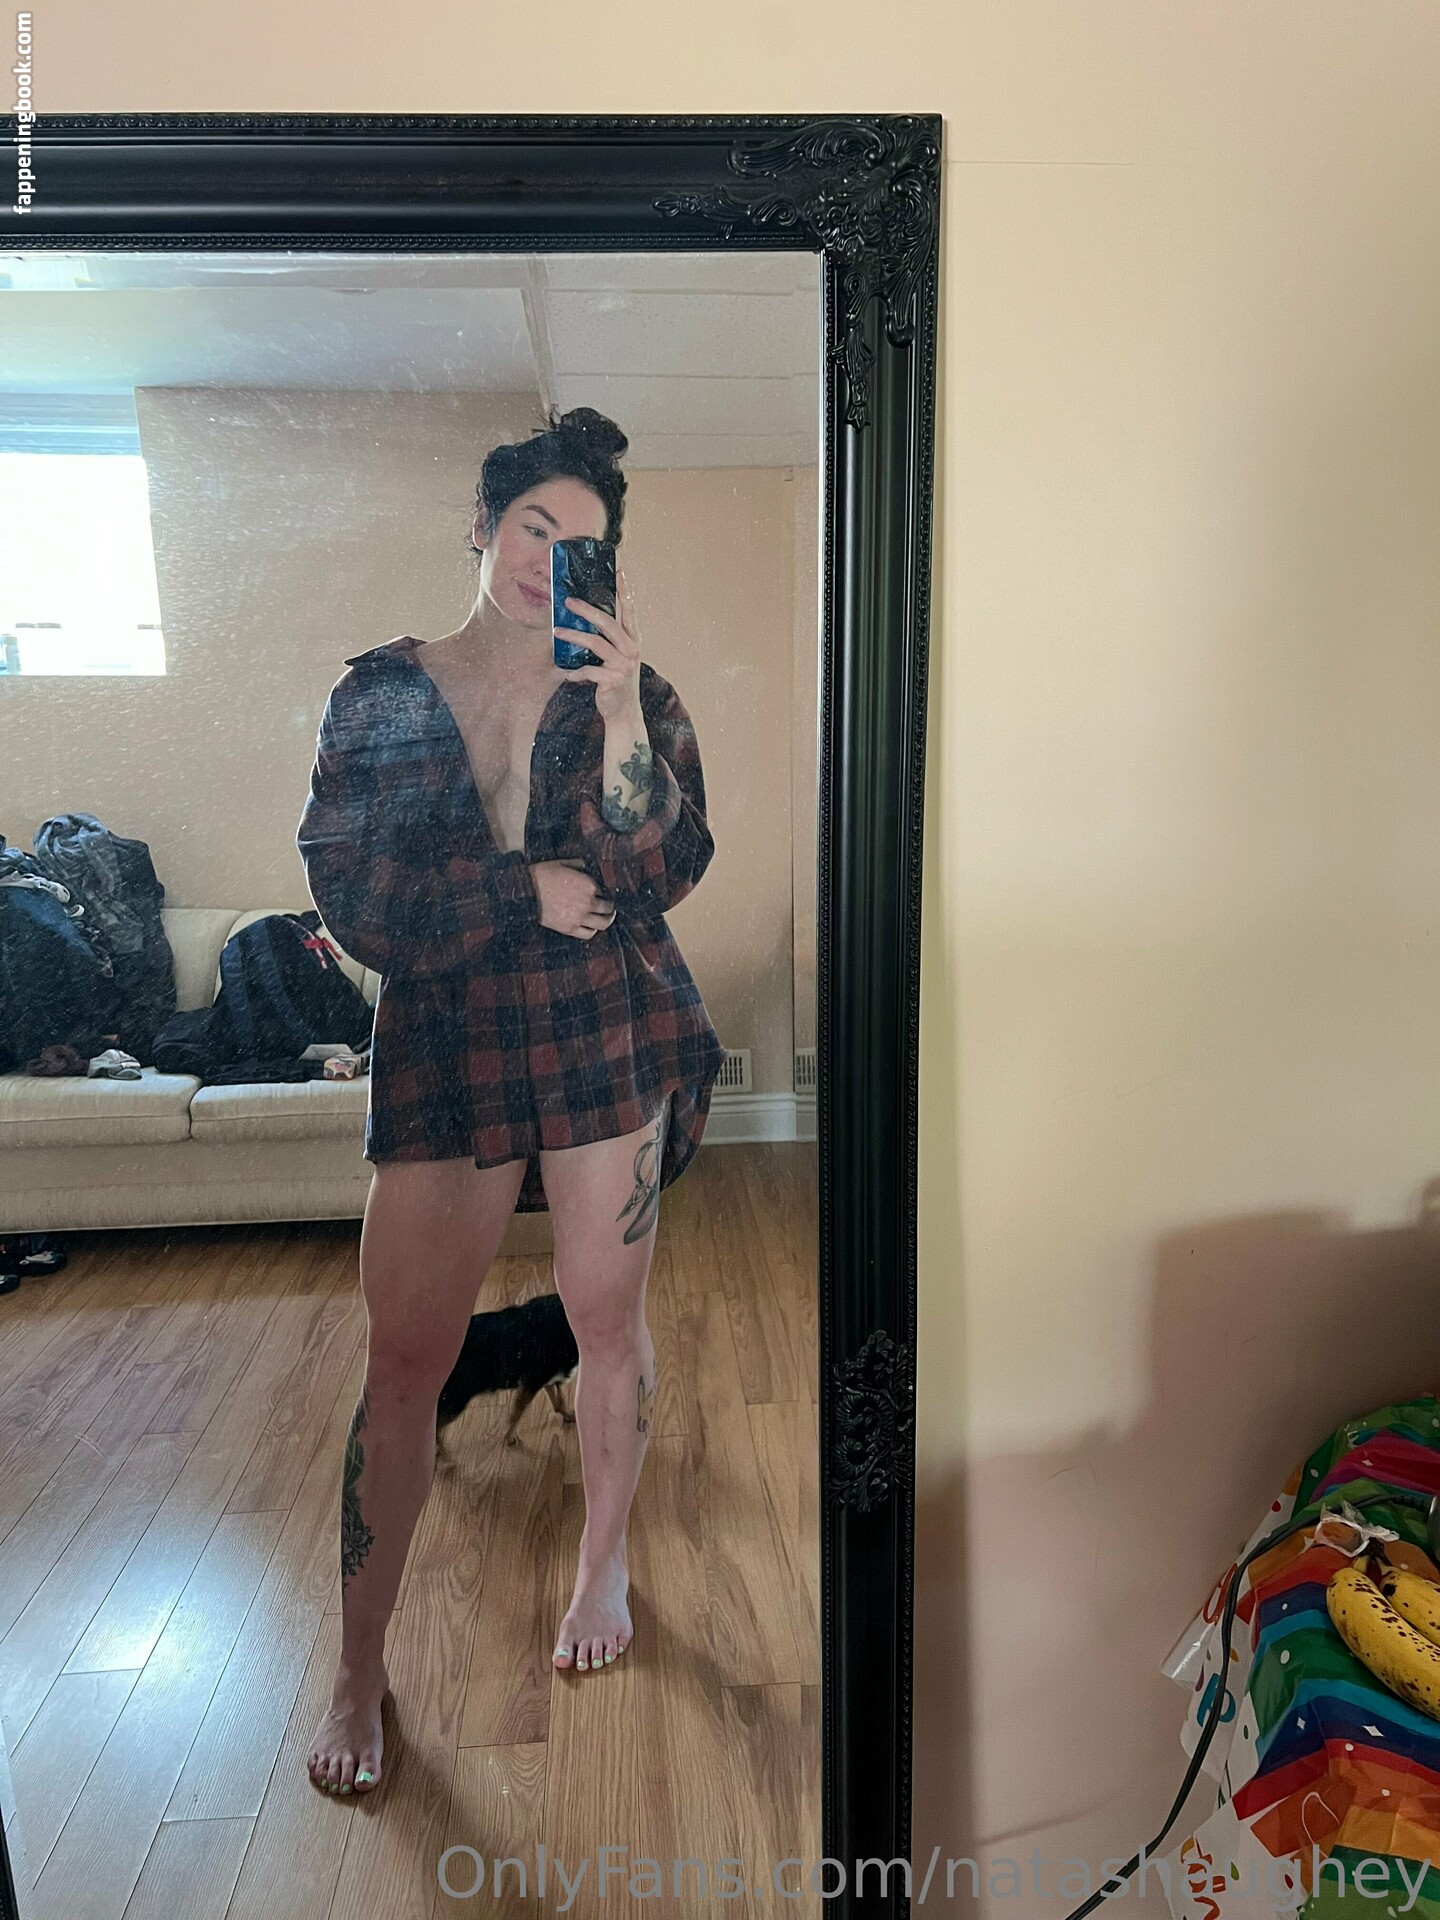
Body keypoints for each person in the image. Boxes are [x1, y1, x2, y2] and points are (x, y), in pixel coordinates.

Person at [296, 406, 725, 1796]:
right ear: (482, 527)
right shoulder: (381, 694)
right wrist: (516, 889)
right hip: (447, 1044)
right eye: (535, 525)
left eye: (583, 541)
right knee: (404, 1362)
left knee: (607, 1321)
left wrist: (620, 708)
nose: (552, 556)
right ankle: (359, 1664)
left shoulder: (629, 693)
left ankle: (603, 1566)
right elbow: (354, 894)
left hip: (603, 1030)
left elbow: (662, 870)